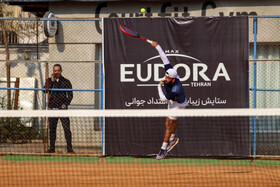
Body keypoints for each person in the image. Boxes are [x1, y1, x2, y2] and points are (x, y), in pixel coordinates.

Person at [150, 41, 187, 160]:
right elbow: (164, 58)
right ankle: (173, 138)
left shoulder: (176, 88)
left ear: (173, 78)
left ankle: (163, 149)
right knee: (172, 121)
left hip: (179, 104)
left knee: (168, 124)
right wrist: (157, 46)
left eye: (168, 78)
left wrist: (158, 86)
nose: (165, 79)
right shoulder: (171, 72)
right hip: (172, 102)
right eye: (165, 77)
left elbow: (162, 99)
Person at [44, 64, 74, 153]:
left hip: (63, 109)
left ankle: (69, 149)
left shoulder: (66, 81)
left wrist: (65, 104)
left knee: (67, 129)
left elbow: (70, 95)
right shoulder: (49, 81)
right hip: (52, 108)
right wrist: (52, 82)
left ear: (61, 71)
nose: (56, 72)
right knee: (52, 130)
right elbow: (44, 91)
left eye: (58, 71)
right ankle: (52, 149)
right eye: (55, 71)